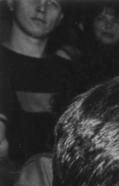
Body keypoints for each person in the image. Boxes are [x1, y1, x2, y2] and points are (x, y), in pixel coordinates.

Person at [0, 0, 75, 164]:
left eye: (53, 3)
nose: (42, 8)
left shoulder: (71, 71)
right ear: (11, 3)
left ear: (60, 17)